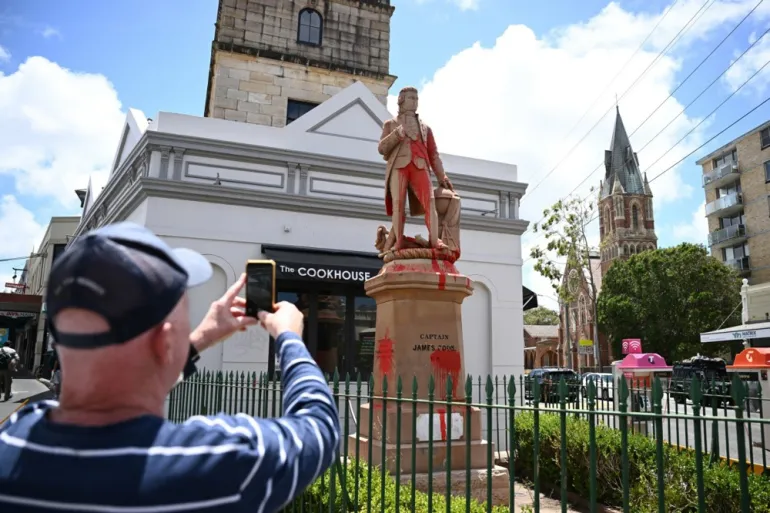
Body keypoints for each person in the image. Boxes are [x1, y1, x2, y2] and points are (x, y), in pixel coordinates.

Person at [0, 222, 340, 512]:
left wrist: (201, 336)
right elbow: (319, 427)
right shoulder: (220, 463)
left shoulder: (14, 434)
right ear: (164, 344)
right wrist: (290, 338)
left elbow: (127, 379)